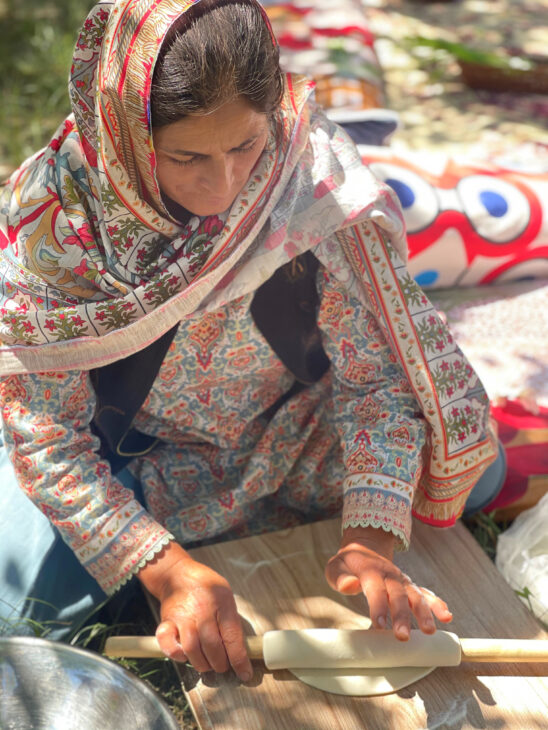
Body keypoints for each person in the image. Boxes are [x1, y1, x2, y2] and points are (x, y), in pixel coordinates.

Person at [0, 0, 500, 684]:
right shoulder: (53, 228)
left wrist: (370, 540)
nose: (224, 185)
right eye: (187, 157)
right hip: (142, 461)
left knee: (474, 466)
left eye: (244, 146)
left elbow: (378, 380)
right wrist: (168, 570)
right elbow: (51, 439)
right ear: (122, 135)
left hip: (293, 435)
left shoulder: (306, 176)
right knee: (17, 596)